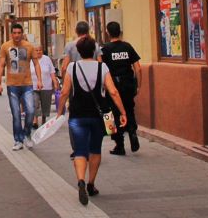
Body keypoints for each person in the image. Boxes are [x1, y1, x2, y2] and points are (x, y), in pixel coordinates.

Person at [56, 36, 127, 206]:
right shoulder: (102, 67)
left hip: (77, 116)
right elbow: (113, 92)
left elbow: (65, 92)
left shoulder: (72, 67)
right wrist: (123, 112)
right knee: (95, 149)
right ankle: (91, 184)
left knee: (80, 151)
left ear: (79, 51)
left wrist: (60, 112)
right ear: (95, 51)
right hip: (98, 116)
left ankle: (80, 180)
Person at [0, 23, 42, 150]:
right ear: (11, 34)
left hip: (27, 84)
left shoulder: (29, 46)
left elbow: (36, 64)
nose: (16, 35)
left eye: (18, 33)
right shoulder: (5, 46)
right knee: (16, 114)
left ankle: (27, 135)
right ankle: (18, 140)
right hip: (12, 85)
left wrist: (39, 80)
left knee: (31, 111)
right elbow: (0, 65)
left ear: (22, 34)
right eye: (14, 33)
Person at [101, 22, 141, 154]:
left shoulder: (105, 49)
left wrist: (102, 87)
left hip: (113, 85)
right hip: (128, 84)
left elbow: (101, 69)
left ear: (108, 32)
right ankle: (132, 132)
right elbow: (138, 68)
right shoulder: (127, 46)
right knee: (129, 109)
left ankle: (119, 145)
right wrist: (138, 85)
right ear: (120, 32)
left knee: (112, 114)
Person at [30, 45, 59, 128]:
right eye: (36, 50)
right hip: (33, 86)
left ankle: (44, 119)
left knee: (45, 104)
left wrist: (55, 82)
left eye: (40, 50)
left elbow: (52, 72)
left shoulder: (47, 59)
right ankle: (35, 121)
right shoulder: (31, 60)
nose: (38, 52)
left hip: (46, 86)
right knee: (34, 103)